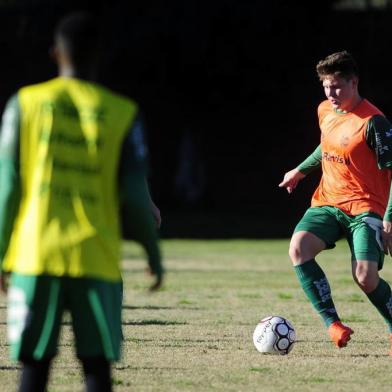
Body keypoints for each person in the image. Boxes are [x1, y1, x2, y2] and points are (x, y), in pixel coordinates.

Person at [0, 11, 163, 392]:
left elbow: (8, 188)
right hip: (96, 257)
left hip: (36, 256)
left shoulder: (23, 105)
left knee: (34, 368)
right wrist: (152, 255)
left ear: (56, 53)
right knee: (96, 370)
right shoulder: (123, 114)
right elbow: (136, 194)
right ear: (100, 56)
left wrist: (2, 251)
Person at [279, 50, 392, 353]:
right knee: (298, 249)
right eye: (326, 87)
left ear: (354, 82)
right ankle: (333, 324)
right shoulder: (325, 111)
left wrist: (389, 219)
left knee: (366, 278)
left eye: (337, 86)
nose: (331, 93)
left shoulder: (374, 123)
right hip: (329, 202)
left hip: (366, 208)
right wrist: (300, 171)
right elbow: (327, 144)